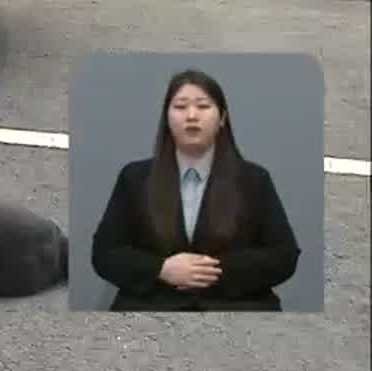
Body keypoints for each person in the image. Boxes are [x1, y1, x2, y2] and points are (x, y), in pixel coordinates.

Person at [89, 68, 301, 311]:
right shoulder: (135, 178)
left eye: (203, 106)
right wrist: (161, 269)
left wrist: (215, 271)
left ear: (222, 118)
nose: (191, 115)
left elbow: (283, 255)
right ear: (167, 118)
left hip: (236, 307)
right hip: (151, 307)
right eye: (180, 107)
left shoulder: (254, 179)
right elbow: (105, 253)